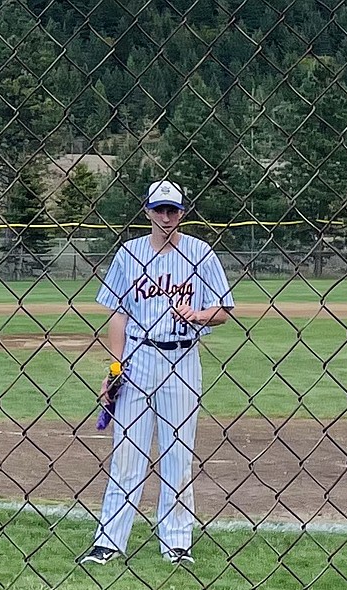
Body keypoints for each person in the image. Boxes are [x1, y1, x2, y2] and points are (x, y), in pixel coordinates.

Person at [77, 179, 234, 566]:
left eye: (173, 210)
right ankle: (109, 541)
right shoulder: (129, 255)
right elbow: (118, 313)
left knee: (178, 454)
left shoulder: (201, 253)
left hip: (182, 360)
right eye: (159, 209)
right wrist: (115, 367)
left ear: (183, 213)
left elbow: (224, 310)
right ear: (146, 211)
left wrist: (198, 315)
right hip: (138, 359)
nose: (166, 217)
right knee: (126, 453)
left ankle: (177, 542)